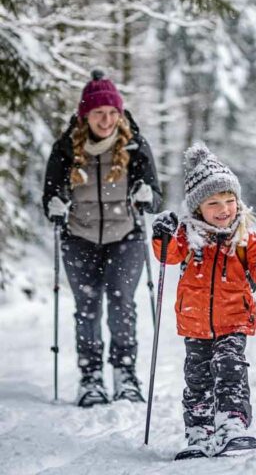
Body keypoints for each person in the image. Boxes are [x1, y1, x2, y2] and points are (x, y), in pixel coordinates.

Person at [151, 142, 256, 459]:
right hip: (194, 322)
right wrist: (162, 234)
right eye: (213, 203)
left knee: (230, 367)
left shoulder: (244, 237)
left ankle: (232, 425)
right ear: (198, 208)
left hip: (234, 319)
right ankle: (199, 432)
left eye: (229, 200)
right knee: (197, 378)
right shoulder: (188, 235)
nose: (224, 209)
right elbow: (167, 256)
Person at [43, 69, 162, 407]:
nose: (107, 120)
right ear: (86, 115)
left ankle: (125, 373)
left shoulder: (135, 145)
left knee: (122, 303)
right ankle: (91, 375)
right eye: (99, 113)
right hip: (79, 238)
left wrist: (144, 196)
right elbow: (50, 196)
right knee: (87, 307)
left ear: (120, 113)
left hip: (125, 237)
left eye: (112, 112)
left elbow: (155, 195)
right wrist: (55, 204)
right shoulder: (65, 149)